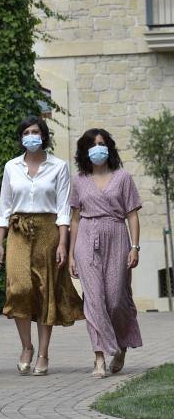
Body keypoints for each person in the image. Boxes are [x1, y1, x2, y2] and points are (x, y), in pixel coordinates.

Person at [0, 116, 84, 376]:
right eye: (26, 132)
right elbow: (4, 207)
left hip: (49, 230)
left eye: (35, 131)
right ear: (21, 137)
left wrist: (63, 244)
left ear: (43, 136)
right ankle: (26, 347)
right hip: (18, 230)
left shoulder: (59, 166)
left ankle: (44, 353)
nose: (31, 136)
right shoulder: (11, 167)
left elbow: (64, 210)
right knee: (19, 287)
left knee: (47, 291)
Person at [69, 129, 142, 378]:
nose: (97, 148)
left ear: (109, 148)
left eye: (102, 144)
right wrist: (70, 254)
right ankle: (99, 356)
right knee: (93, 299)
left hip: (116, 236)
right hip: (86, 238)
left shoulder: (122, 178)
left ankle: (120, 344)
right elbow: (75, 219)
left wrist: (135, 246)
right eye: (92, 144)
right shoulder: (79, 180)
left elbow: (132, 214)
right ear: (84, 151)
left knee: (115, 300)